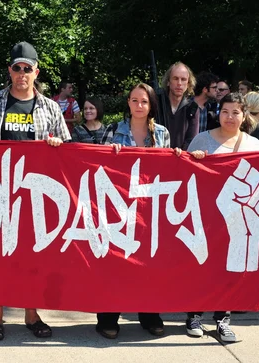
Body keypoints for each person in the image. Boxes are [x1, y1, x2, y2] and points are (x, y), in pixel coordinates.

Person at [0, 41, 70, 341]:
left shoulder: (50, 107)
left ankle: (31, 312)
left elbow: (67, 151)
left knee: (33, 257)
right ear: (9, 70)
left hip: (36, 195)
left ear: (36, 72)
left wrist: (56, 144)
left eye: (28, 68)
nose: (22, 73)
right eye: (17, 68)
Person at [176, 93, 259, 343]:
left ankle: (223, 319)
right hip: (204, 215)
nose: (230, 117)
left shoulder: (253, 145)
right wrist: (197, 161)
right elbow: (186, 174)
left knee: (229, 269)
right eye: (225, 111)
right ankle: (194, 314)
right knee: (202, 266)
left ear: (244, 115)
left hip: (236, 218)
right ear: (218, 113)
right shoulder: (202, 139)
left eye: (236, 112)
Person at [96, 83, 170, 339]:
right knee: (114, 262)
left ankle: (149, 314)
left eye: (144, 101)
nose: (139, 105)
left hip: (149, 208)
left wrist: (178, 156)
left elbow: (169, 170)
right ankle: (108, 315)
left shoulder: (161, 133)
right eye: (135, 100)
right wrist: (109, 154)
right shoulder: (113, 130)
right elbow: (96, 167)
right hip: (116, 207)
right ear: (127, 102)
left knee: (148, 263)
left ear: (151, 106)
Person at [155, 61, 197, 149]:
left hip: (180, 157)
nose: (179, 83)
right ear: (168, 82)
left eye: (183, 79)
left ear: (188, 84)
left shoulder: (192, 108)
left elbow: (191, 140)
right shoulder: (156, 103)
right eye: (175, 78)